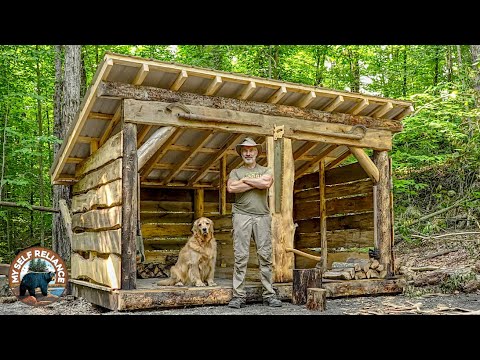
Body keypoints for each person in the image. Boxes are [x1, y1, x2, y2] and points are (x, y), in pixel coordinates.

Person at [226, 137, 282, 308]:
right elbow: (232, 188)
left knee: (265, 256)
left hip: (262, 216)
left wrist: (245, 181)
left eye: (251, 150)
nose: (248, 153)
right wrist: (255, 183)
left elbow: (266, 183)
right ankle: (238, 296)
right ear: (241, 153)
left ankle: (268, 294)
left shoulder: (266, 169)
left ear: (257, 152)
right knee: (241, 256)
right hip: (241, 216)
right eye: (245, 150)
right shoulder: (235, 172)